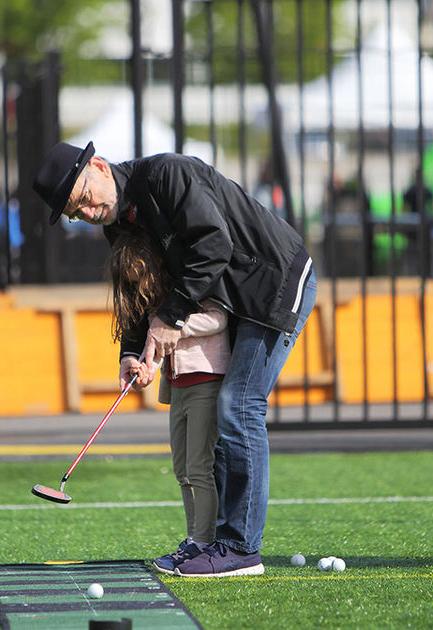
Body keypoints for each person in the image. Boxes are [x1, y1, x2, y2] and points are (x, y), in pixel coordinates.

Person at [32, 141, 316, 577]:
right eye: (77, 213)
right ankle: (211, 542)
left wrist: (171, 318)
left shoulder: (167, 175)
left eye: (84, 199)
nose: (88, 213)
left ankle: (240, 549)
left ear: (99, 167)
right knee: (218, 426)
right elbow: (136, 291)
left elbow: (213, 244)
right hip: (234, 299)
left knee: (238, 407)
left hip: (276, 280)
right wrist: (131, 351)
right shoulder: (117, 222)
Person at [104, 224, 231, 574]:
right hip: (177, 386)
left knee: (199, 467)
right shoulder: (156, 304)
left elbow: (219, 318)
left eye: (141, 276)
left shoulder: (189, 285)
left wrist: (178, 325)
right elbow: (156, 347)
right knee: (181, 470)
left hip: (206, 379)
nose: (140, 286)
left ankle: (203, 542)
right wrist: (147, 369)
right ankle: (193, 539)